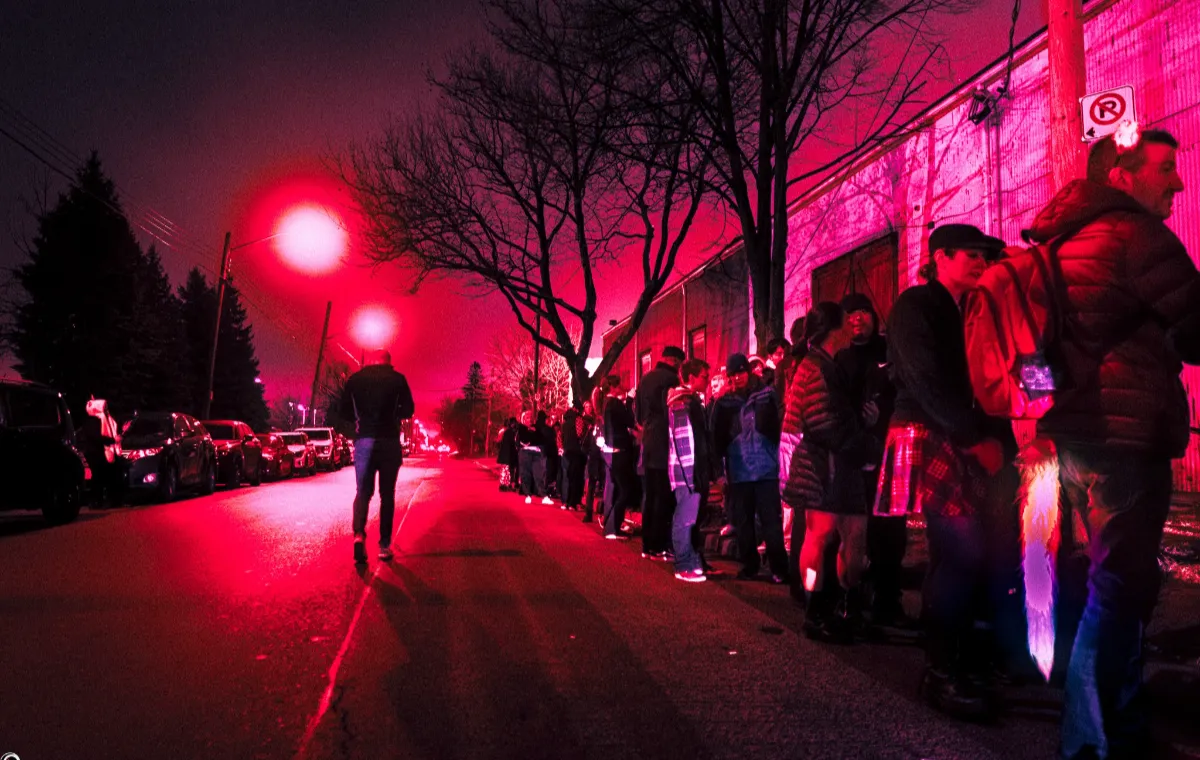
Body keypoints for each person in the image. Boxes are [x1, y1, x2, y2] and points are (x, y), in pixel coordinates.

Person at [1024, 128, 1200, 760]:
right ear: (1120, 176)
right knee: (1119, 591)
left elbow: (1030, 355)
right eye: (1163, 169)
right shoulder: (1136, 235)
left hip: (1071, 441)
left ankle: (1116, 723)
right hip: (1125, 439)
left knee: (1106, 586)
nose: (1176, 182)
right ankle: (1093, 744)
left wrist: (1050, 412)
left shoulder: (1052, 244)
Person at [874, 223, 1014, 719]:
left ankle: (968, 655)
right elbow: (926, 379)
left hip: (976, 437)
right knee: (958, 548)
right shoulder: (916, 306)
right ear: (939, 257)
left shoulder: (977, 307)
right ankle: (940, 670)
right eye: (970, 255)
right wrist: (975, 437)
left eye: (984, 255)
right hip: (934, 432)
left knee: (983, 550)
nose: (980, 262)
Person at [783, 303, 875, 642]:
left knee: (816, 541)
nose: (853, 328)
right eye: (846, 324)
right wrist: (865, 439)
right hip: (830, 470)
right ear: (834, 330)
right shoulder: (819, 368)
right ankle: (825, 610)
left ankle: (815, 608)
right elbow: (826, 425)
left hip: (817, 469)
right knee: (839, 540)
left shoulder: (809, 365)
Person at [835, 293, 905, 626]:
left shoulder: (888, 351)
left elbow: (902, 391)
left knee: (891, 527)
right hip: (853, 454)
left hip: (888, 449)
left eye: (862, 312)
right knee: (856, 529)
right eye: (850, 315)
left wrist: (882, 414)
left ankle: (889, 598)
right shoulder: (842, 359)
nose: (856, 319)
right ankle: (853, 595)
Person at [710, 352, 789, 583]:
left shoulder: (767, 394)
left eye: (740, 373)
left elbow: (780, 425)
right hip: (738, 470)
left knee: (771, 521)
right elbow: (715, 437)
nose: (736, 379)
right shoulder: (723, 402)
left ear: (748, 371)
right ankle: (750, 565)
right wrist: (719, 473)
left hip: (766, 468)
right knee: (743, 522)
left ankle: (779, 568)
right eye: (732, 375)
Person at [338, 349, 415, 563]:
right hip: (389, 440)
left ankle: (359, 535)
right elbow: (409, 409)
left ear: (369, 361)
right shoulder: (398, 380)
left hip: (364, 440)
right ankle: (384, 546)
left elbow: (343, 411)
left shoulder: (355, 380)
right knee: (387, 494)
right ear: (388, 362)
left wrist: (358, 425)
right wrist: (394, 413)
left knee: (363, 491)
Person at [666, 358, 713, 582]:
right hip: (688, 470)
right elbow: (684, 439)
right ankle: (683, 565)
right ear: (691, 377)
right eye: (704, 376)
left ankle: (692, 562)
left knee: (690, 517)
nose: (708, 380)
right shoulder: (682, 401)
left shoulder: (687, 400)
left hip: (691, 469)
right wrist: (689, 473)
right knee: (685, 517)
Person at [636, 346, 685, 560]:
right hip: (666, 443)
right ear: (674, 361)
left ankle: (648, 544)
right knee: (664, 497)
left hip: (649, 442)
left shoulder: (645, 380)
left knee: (651, 495)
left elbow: (637, 414)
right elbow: (673, 411)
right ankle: (661, 544)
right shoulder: (672, 380)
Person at [600, 375, 639, 539]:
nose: (621, 387)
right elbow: (630, 421)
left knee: (616, 489)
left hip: (610, 451)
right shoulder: (615, 403)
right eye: (619, 385)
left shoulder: (605, 404)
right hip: (620, 450)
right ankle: (612, 528)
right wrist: (629, 401)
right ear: (613, 387)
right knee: (624, 491)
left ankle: (611, 526)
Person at [560, 402, 587, 511]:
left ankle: (565, 501)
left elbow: (560, 437)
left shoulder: (564, 423)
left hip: (567, 452)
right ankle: (573, 502)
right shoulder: (578, 420)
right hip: (577, 452)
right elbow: (580, 434)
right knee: (577, 478)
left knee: (567, 477)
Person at [582, 399, 605, 524]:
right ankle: (594, 512)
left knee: (593, 485)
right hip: (598, 456)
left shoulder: (593, 424)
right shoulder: (593, 423)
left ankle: (590, 512)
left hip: (595, 456)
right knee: (596, 484)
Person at [516, 411, 544, 503]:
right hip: (525, 452)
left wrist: (533, 436)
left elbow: (539, 439)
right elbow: (524, 439)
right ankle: (527, 494)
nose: (530, 419)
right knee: (525, 474)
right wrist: (530, 437)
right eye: (527, 417)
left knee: (538, 473)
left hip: (536, 452)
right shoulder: (521, 428)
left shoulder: (536, 428)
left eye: (531, 417)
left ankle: (542, 494)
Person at [496, 417, 519, 492]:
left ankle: (504, 484)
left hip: (505, 455)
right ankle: (506, 484)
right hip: (508, 455)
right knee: (509, 470)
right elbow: (512, 444)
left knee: (506, 470)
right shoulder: (510, 432)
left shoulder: (506, 432)